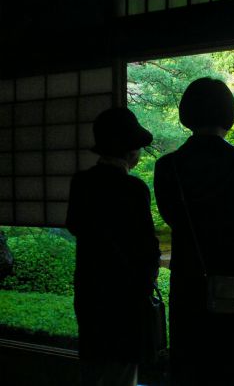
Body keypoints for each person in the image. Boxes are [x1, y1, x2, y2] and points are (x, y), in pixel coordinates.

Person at [154, 78, 234, 385]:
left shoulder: (167, 167)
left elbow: (173, 218)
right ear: (228, 113)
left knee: (192, 364)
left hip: (190, 278)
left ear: (188, 113)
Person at [66, 108, 160, 386]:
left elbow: (74, 225)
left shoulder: (81, 183)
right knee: (121, 372)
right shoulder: (134, 189)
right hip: (125, 295)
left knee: (93, 366)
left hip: (90, 288)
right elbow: (148, 246)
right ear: (131, 152)